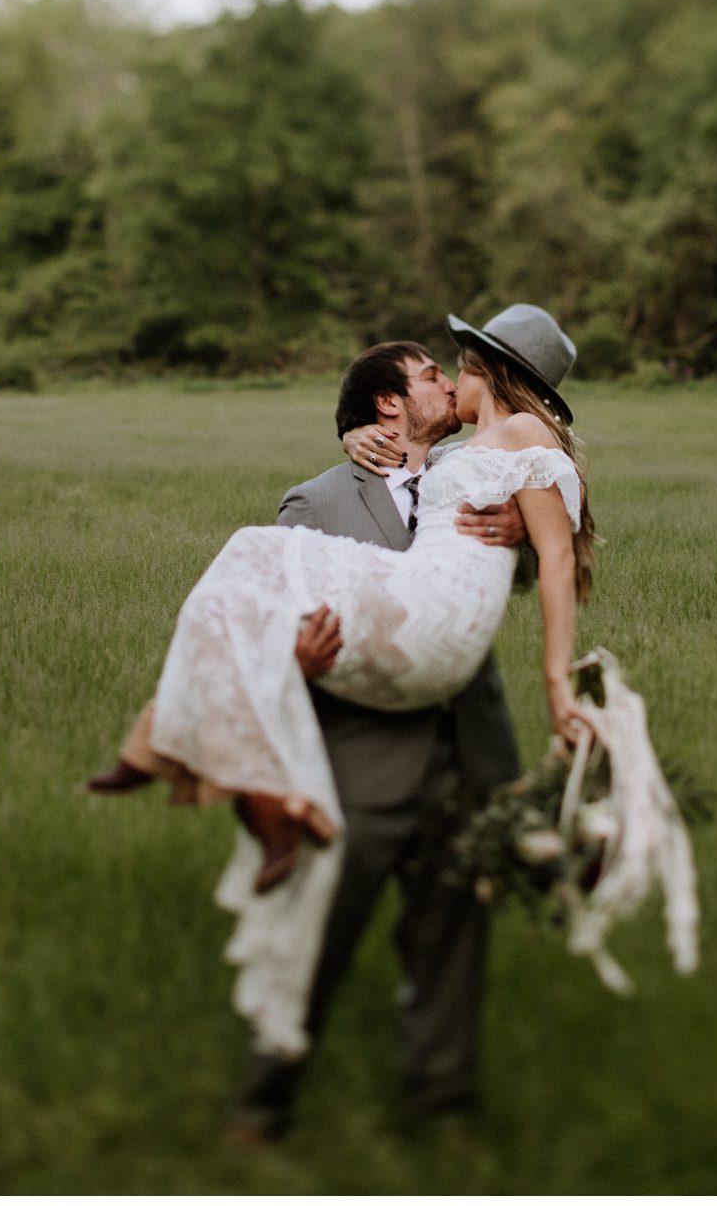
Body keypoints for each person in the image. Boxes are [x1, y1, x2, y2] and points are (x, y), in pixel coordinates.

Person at [87, 304, 598, 1101]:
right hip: (364, 751)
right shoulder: (316, 500)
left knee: (453, 928)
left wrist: (522, 539)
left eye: (453, 366)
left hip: (467, 740)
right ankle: (267, 1090)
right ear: (388, 405)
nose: (445, 376)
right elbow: (285, 604)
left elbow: (521, 569)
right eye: (429, 371)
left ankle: (443, 1106)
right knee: (320, 920)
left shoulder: (483, 466)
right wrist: (292, 654)